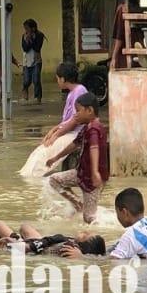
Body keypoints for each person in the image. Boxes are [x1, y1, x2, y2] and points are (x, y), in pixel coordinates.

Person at [46, 92, 108, 223]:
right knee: (54, 180)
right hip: (81, 173)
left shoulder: (94, 129)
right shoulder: (86, 128)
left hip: (93, 180)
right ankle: (78, 204)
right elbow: (74, 144)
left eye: (78, 111)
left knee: (89, 219)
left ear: (89, 110)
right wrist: (55, 157)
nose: (75, 115)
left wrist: (95, 172)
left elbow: (94, 148)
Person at [0, 221, 107, 257]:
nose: (84, 231)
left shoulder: (70, 246)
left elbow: (47, 242)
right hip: (40, 243)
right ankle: (14, 239)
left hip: (34, 247)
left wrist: (24, 246)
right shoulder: (76, 250)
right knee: (25, 227)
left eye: (85, 235)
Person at [20, 20, 46, 103]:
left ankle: (37, 97)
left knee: (36, 79)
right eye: (25, 28)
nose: (26, 30)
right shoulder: (24, 36)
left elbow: (37, 48)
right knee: (27, 80)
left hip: (36, 61)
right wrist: (27, 40)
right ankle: (25, 89)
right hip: (26, 61)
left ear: (33, 28)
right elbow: (25, 49)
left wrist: (31, 39)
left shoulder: (39, 35)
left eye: (27, 28)